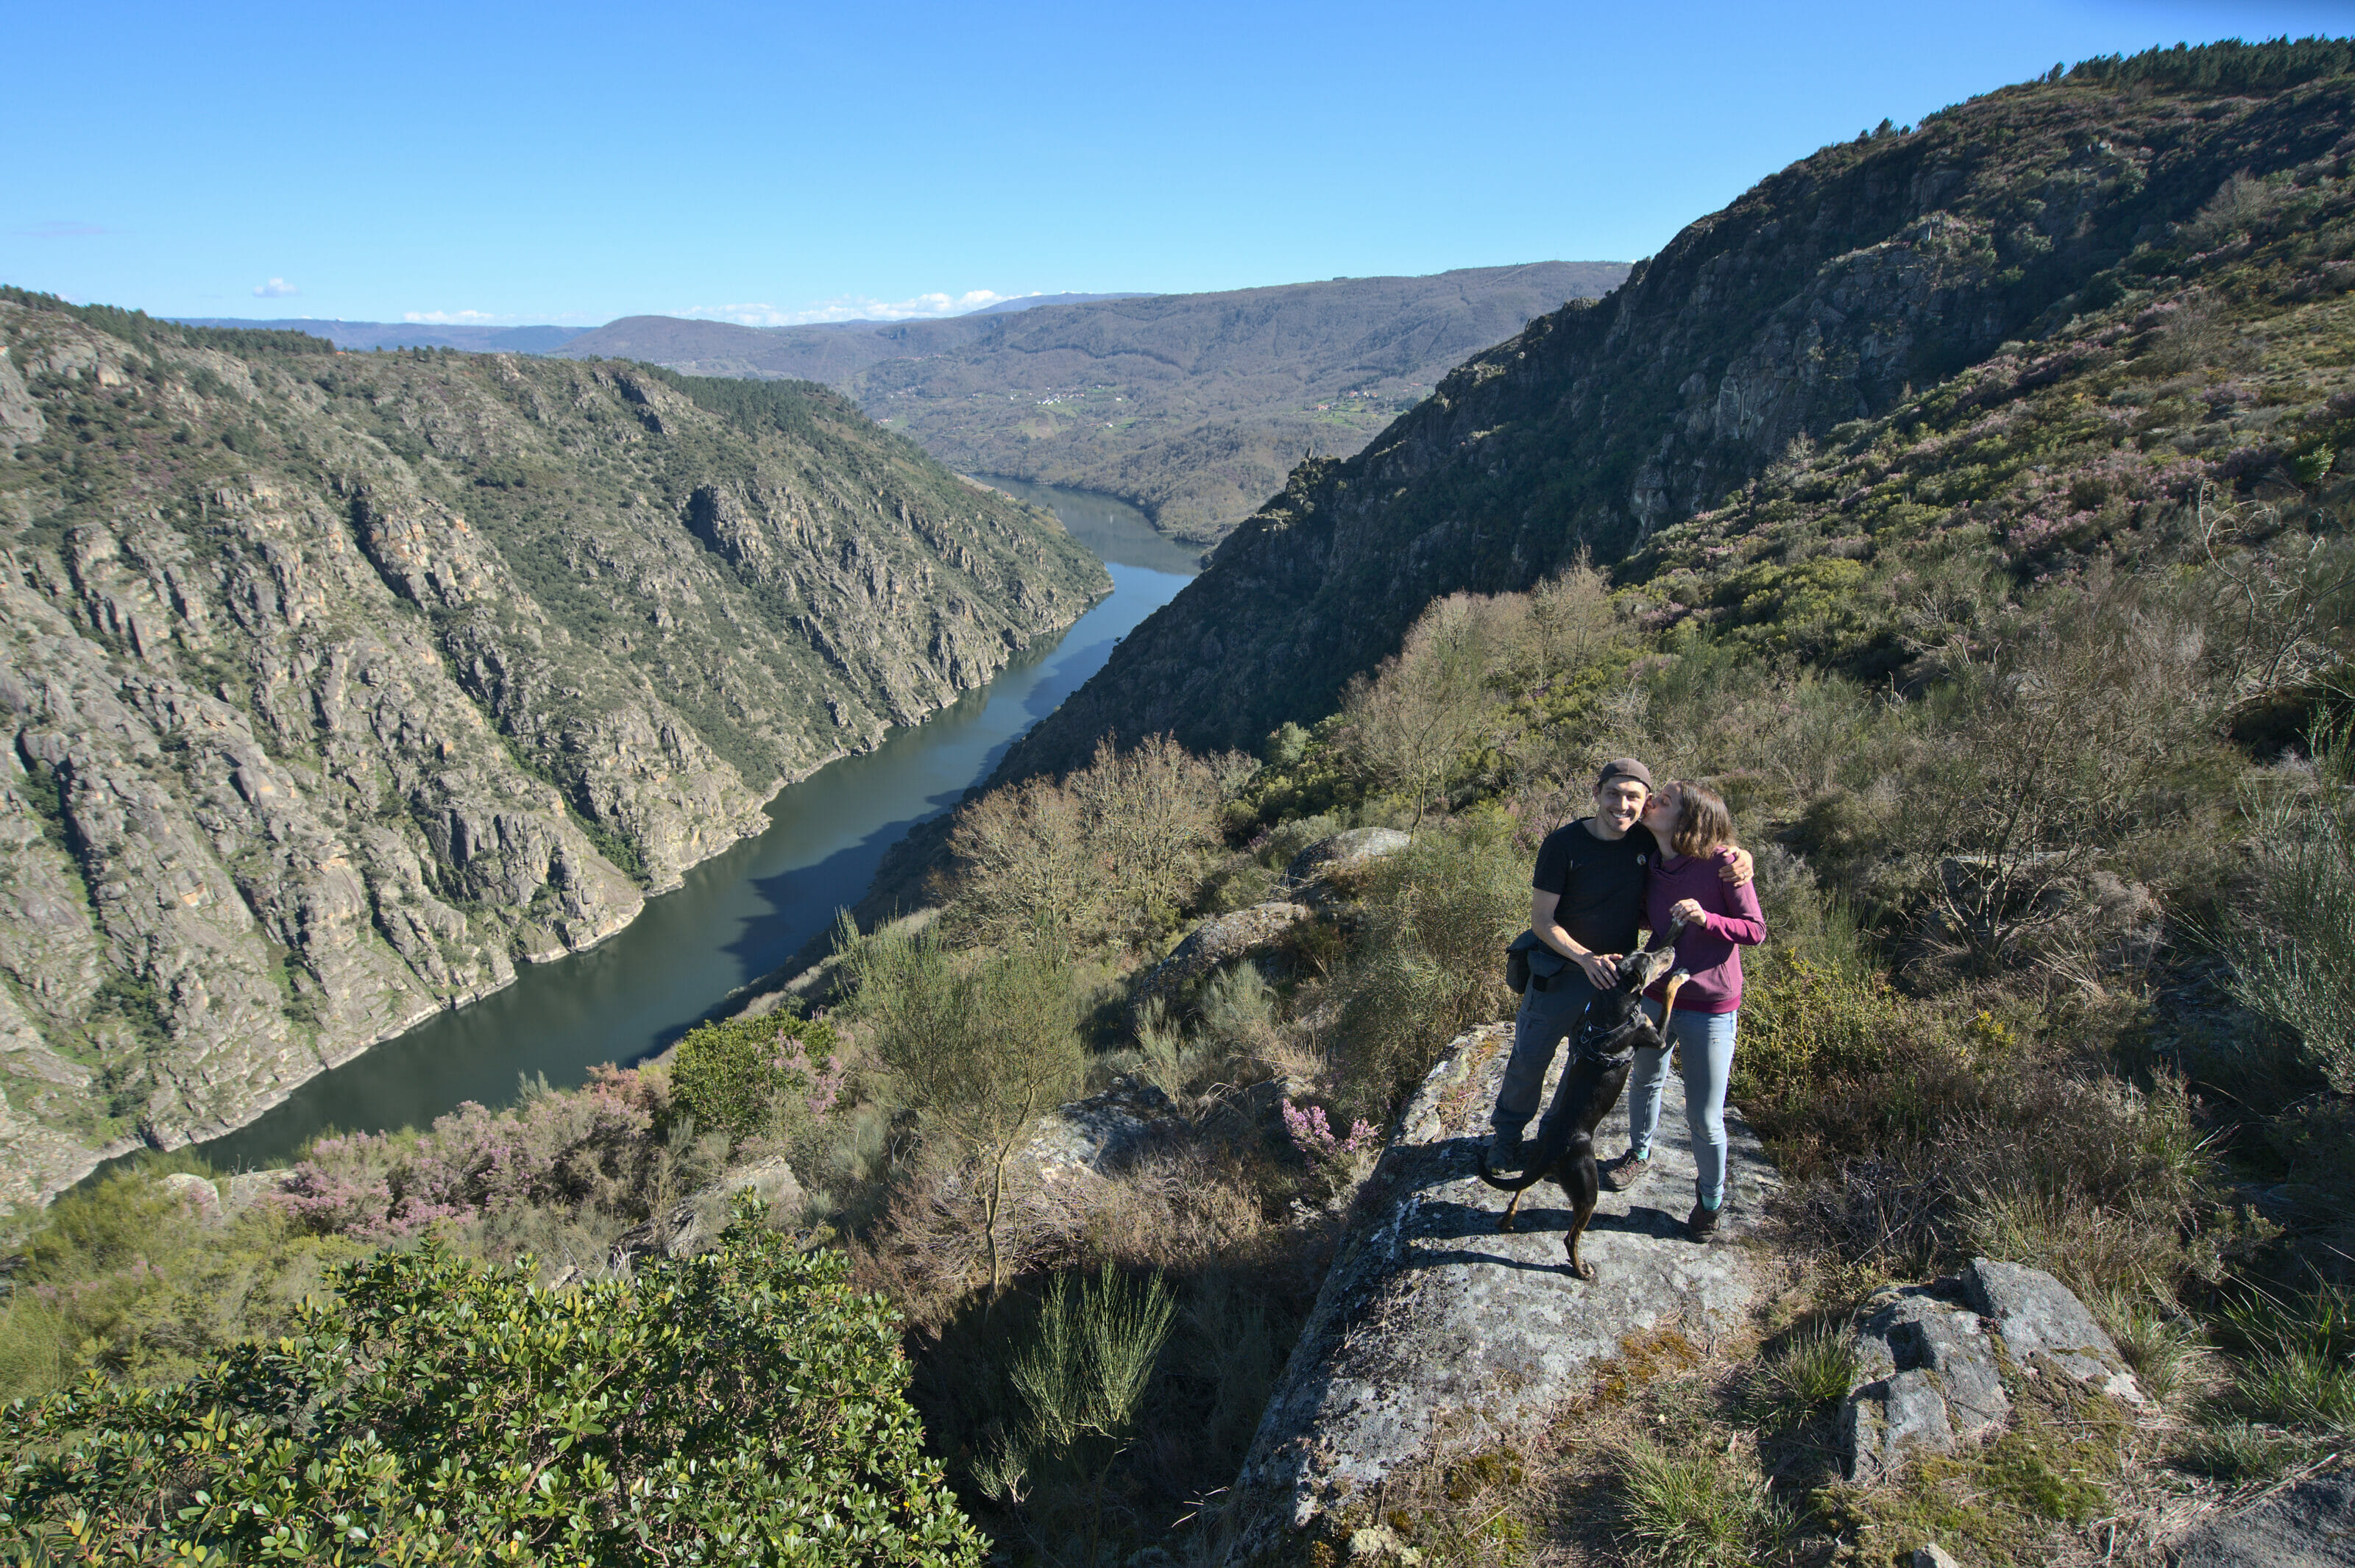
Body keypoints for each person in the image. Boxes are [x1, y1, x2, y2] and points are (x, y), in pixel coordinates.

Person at [1488, 759, 1749, 1165]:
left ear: (1645, 804)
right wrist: (1585, 957)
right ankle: (1506, 1140)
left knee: (1585, 1066)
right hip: (1559, 973)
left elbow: (1702, 843)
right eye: (1613, 793)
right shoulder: (1563, 845)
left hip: (1616, 983)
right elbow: (1541, 920)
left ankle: (1552, 1144)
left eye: (1634, 797)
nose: (1622, 805)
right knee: (1530, 1058)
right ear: (1597, 794)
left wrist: (1740, 855)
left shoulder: (1645, 842)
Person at [1598, 780, 1766, 1240]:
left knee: (1705, 1116)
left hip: (1710, 1006)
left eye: (1665, 800)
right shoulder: (1650, 859)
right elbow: (1649, 918)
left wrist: (1707, 919)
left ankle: (1710, 1203)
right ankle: (1638, 1154)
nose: (1651, 802)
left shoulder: (1723, 864)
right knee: (1645, 1077)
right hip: (1656, 993)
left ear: (1688, 819)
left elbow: (1755, 931)